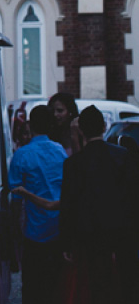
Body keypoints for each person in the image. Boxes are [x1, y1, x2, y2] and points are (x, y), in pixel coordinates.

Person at [58, 104, 139, 304]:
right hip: (122, 230)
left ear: (81, 130)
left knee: (96, 287)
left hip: (89, 234)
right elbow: (133, 196)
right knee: (126, 285)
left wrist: (66, 242)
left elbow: (68, 205)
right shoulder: (122, 156)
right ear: (103, 126)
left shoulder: (73, 164)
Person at [8, 104, 68, 304]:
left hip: (35, 233)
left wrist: (14, 236)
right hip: (59, 229)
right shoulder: (60, 151)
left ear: (30, 126)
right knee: (57, 288)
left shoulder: (22, 155)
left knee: (33, 289)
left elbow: (15, 201)